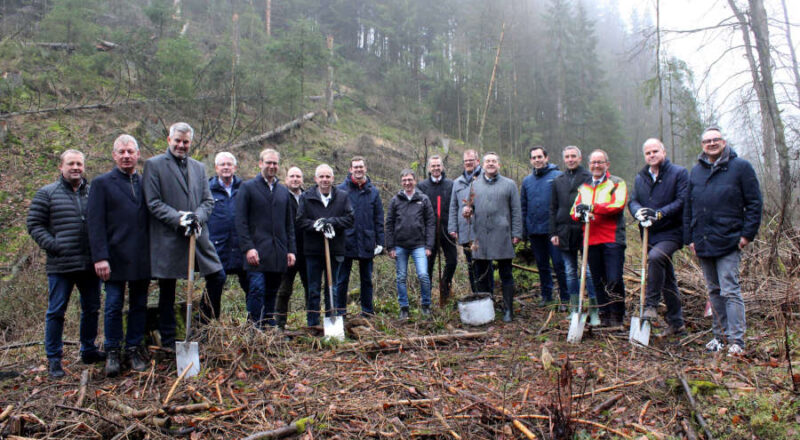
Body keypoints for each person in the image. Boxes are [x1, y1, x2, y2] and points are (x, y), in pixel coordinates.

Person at [142, 122, 225, 349]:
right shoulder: (154, 165)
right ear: (169, 140)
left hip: (197, 237)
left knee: (218, 276)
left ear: (191, 142)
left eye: (185, 142)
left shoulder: (198, 167)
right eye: (177, 141)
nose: (181, 145)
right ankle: (169, 342)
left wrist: (196, 217)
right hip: (169, 238)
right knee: (167, 289)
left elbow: (208, 201)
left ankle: (203, 326)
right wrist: (179, 218)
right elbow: (153, 202)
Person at [27, 149, 105, 378]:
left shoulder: (93, 193)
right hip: (60, 265)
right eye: (71, 164)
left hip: (90, 264)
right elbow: (34, 224)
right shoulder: (47, 193)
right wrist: (54, 245)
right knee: (56, 311)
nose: (75, 168)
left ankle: (88, 350)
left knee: (91, 308)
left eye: (79, 164)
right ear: (61, 167)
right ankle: (54, 359)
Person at [685, 127, 762, 355]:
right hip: (703, 241)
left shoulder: (741, 168)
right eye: (707, 141)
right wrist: (690, 238)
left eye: (715, 140)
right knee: (714, 291)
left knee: (730, 290)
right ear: (702, 145)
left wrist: (746, 235)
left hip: (730, 240)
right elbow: (689, 206)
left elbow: (754, 203)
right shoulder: (696, 171)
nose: (711, 144)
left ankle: (737, 341)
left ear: (724, 142)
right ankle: (719, 337)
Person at [87, 135, 150, 377]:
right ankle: (112, 351)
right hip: (113, 258)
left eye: (130, 151)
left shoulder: (146, 183)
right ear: (114, 155)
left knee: (139, 305)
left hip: (142, 257)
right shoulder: (102, 183)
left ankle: (133, 349)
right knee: (113, 305)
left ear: (137, 154)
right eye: (121, 152)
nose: (126, 156)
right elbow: (95, 223)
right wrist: (100, 257)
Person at [628, 138, 688, 338]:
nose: (652, 155)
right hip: (649, 233)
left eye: (655, 151)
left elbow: (682, 200)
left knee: (655, 258)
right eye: (648, 153)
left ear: (664, 152)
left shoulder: (678, 173)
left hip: (672, 231)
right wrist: (638, 212)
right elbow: (633, 200)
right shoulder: (641, 177)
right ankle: (676, 322)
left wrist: (660, 213)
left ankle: (651, 305)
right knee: (667, 278)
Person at [236, 149, 296, 328]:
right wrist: (248, 247)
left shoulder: (283, 191)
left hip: (278, 252)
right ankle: (254, 327)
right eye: (268, 163)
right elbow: (240, 221)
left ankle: (268, 325)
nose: (272, 166)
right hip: (256, 252)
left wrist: (291, 250)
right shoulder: (247, 188)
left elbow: (289, 225)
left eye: (275, 163)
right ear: (260, 163)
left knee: (272, 291)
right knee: (256, 290)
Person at [571, 149, 628, 327]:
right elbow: (573, 211)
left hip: (612, 238)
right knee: (598, 279)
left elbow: (617, 205)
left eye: (600, 162)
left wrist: (593, 207)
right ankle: (604, 314)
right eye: (593, 162)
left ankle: (617, 315)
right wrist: (580, 213)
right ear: (589, 165)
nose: (596, 165)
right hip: (591, 239)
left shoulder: (617, 183)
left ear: (607, 164)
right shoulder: (584, 186)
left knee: (614, 278)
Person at [466, 152, 523, 322]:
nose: (491, 164)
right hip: (481, 236)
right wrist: (466, 211)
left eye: (494, 161)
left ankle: (508, 310)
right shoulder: (474, 185)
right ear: (482, 165)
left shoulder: (510, 185)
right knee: (482, 275)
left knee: (506, 274)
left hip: (502, 234)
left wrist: (517, 233)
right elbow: (469, 207)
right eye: (488, 161)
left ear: (499, 165)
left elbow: (516, 210)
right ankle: (487, 309)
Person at [296, 164, 354, 326]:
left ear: (333, 179)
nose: (325, 180)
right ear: (315, 179)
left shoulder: (342, 197)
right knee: (313, 289)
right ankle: (313, 323)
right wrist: (316, 225)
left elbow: (350, 219)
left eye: (328, 176)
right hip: (313, 251)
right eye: (321, 177)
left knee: (332, 288)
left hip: (335, 249)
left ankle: (331, 322)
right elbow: (300, 221)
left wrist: (331, 223)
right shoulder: (306, 197)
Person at [550, 146, 599, 324]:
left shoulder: (589, 178)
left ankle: (594, 309)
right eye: (567, 157)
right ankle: (574, 308)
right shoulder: (558, 180)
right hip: (564, 232)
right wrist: (553, 232)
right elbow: (553, 208)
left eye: (573, 156)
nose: (570, 159)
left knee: (589, 272)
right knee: (570, 272)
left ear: (579, 158)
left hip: (585, 231)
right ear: (564, 159)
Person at [336, 156, 385, 317]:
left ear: (366, 168)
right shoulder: (340, 190)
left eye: (361, 167)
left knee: (366, 280)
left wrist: (380, 242)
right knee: (342, 279)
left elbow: (379, 218)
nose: (358, 169)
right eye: (355, 167)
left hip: (366, 240)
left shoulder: (373, 192)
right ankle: (340, 311)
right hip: (345, 241)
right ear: (350, 169)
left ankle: (367, 311)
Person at [521, 146, 568, 309]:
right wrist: (524, 229)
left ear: (546, 158)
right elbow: (524, 206)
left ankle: (565, 298)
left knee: (559, 264)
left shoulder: (558, 176)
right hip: (535, 230)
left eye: (539, 157)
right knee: (542, 265)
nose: (537, 160)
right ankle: (546, 296)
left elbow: (564, 204)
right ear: (530, 161)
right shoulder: (527, 181)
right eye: (533, 158)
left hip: (554, 231)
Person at [385, 169, 435, 320]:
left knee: (423, 275)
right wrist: (390, 246)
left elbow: (430, 223)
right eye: (404, 180)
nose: (407, 183)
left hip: (419, 245)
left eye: (410, 180)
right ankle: (404, 308)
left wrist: (429, 246)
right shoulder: (395, 200)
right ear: (401, 182)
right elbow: (389, 224)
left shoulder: (423, 199)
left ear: (415, 180)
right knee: (401, 277)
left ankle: (426, 306)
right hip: (400, 245)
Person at [448, 149, 490, 293]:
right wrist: (453, 228)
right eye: (466, 161)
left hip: (482, 230)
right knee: (471, 266)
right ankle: (476, 296)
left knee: (484, 266)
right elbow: (453, 206)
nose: (468, 163)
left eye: (471, 161)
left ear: (477, 161)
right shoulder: (457, 183)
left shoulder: (485, 178)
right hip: (465, 231)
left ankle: (488, 296)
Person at [417, 155, 457, 306]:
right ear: (429, 168)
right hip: (429, 233)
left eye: (438, 165)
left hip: (448, 230)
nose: (436, 168)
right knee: (428, 266)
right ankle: (426, 298)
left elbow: (455, 206)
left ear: (442, 167)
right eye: (433, 166)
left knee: (452, 261)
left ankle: (445, 286)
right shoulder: (422, 186)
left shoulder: (451, 184)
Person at [208, 152, 249, 296]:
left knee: (251, 285)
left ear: (235, 167)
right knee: (215, 284)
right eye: (222, 164)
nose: (226, 167)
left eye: (229, 164)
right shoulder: (207, 190)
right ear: (216, 167)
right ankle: (208, 317)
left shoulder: (245, 189)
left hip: (241, 247)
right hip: (216, 248)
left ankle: (256, 318)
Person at [275, 166, 309, 329]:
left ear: (302, 179)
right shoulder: (280, 196)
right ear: (286, 179)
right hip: (287, 251)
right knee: (283, 290)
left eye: (298, 176)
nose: (295, 179)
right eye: (292, 176)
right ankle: (279, 323)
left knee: (311, 288)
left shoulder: (308, 197)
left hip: (307, 250)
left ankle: (313, 321)